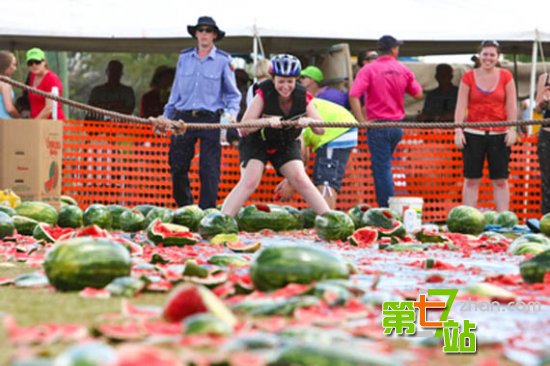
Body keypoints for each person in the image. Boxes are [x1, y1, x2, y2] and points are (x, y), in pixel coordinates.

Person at [220, 54, 330, 217]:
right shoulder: (263, 93)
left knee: (300, 178)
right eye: (281, 81)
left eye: (290, 81)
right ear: (273, 79)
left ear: (296, 80)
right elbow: (244, 126)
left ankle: (331, 218)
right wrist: (266, 121)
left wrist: (309, 121)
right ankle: (222, 219)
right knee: (250, 181)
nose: (285, 86)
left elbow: (321, 130)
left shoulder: (302, 96)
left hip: (285, 142)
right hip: (257, 141)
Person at [163, 16, 241, 209]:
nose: (204, 34)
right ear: (196, 34)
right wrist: (166, 117)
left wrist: (231, 115)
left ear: (214, 35)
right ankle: (185, 208)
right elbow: (175, 91)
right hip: (183, 117)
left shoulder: (224, 60)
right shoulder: (184, 58)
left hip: (211, 119)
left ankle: (207, 213)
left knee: (209, 169)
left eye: (208, 30)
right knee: (177, 165)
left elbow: (233, 94)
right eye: (201, 30)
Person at [349, 35, 423, 208]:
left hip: (378, 125)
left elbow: (353, 95)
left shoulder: (368, 69)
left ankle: (387, 209)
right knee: (387, 167)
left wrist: (362, 121)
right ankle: (391, 206)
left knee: (382, 168)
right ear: (394, 50)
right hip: (397, 126)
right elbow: (418, 94)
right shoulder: (403, 69)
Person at [454, 40, 517, 212]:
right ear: (479, 56)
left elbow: (511, 105)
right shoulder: (468, 76)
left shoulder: (506, 76)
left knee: (500, 180)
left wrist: (512, 129)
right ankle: (468, 216)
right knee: (471, 179)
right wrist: (458, 129)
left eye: (492, 55)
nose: (488, 58)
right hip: (473, 133)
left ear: (497, 57)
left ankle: (504, 219)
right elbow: (460, 105)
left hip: (499, 133)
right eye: (485, 54)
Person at [274, 98, 358, 208]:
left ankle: (327, 221)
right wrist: (290, 180)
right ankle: (325, 217)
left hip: (336, 131)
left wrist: (291, 183)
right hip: (339, 129)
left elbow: (301, 152)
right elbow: (304, 157)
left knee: (326, 180)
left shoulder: (288, 113)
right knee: (322, 176)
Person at [26, 48, 65, 120]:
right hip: (38, 122)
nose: (34, 65)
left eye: (37, 62)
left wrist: (34, 124)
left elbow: (49, 108)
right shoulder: (32, 76)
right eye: (30, 63)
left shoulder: (51, 79)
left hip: (52, 122)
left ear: (44, 62)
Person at [535, 71, 550, 214]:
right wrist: (544, 101)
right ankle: (547, 221)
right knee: (547, 182)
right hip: (547, 134)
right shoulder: (544, 77)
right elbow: (537, 109)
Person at [0, 51, 20, 118]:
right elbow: (9, 108)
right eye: (13, 64)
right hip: (4, 123)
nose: (15, 68)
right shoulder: (5, 81)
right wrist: (19, 118)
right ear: (6, 65)